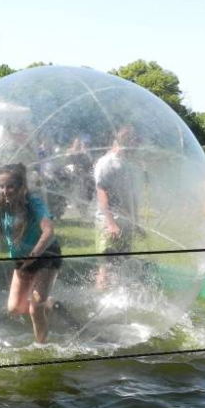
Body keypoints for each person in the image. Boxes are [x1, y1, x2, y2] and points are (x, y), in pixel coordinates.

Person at [0, 163, 63, 343]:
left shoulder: (33, 203)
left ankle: (42, 348)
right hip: (23, 259)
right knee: (14, 309)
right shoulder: (1, 206)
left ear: (22, 187)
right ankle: (50, 303)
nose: (5, 191)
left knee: (35, 309)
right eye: (1, 186)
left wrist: (34, 254)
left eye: (10, 186)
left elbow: (49, 231)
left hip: (46, 255)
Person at [93, 124, 141, 290]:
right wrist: (111, 223)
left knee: (122, 265)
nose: (137, 147)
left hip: (126, 222)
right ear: (126, 142)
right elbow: (102, 192)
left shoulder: (127, 163)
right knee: (106, 266)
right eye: (135, 143)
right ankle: (100, 301)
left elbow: (131, 197)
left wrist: (137, 223)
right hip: (108, 222)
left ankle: (115, 303)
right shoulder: (107, 162)